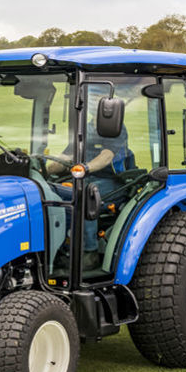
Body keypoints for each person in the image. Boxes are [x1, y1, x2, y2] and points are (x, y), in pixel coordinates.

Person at [47, 87, 130, 270]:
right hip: (83, 177)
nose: (92, 100)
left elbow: (107, 156)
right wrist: (47, 165)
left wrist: (86, 167)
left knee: (85, 194)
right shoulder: (84, 128)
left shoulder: (115, 129)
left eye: (97, 96)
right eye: (90, 95)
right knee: (48, 191)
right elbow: (67, 156)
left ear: (107, 104)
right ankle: (59, 247)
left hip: (112, 181)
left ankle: (89, 252)